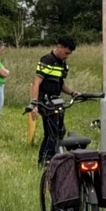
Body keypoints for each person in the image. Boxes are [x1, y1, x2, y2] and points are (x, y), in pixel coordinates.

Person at [29, 36, 80, 166]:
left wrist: (73, 93)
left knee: (60, 131)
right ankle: (46, 161)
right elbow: (36, 82)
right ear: (59, 47)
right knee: (52, 133)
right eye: (66, 52)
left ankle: (50, 159)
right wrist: (34, 103)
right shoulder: (47, 60)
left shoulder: (62, 64)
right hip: (45, 101)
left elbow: (61, 84)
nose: (67, 56)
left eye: (70, 54)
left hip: (56, 100)